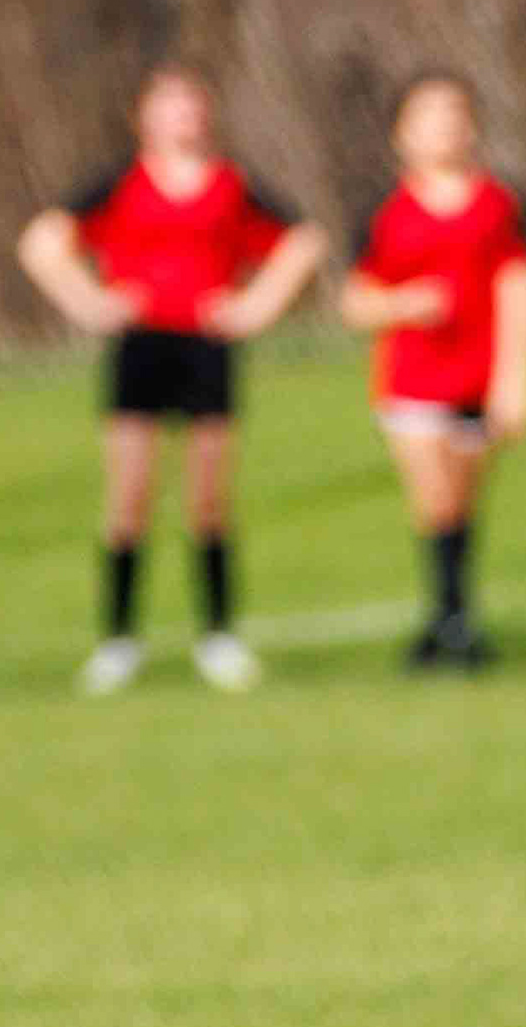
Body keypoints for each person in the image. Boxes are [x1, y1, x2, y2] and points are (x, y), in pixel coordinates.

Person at [18, 67, 323, 695]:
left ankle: (218, 637)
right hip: (141, 348)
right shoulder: (120, 184)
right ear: (143, 116)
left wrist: (255, 307)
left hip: (206, 349)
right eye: (168, 104)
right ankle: (118, 641)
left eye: (191, 104)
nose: (182, 115)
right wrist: (90, 304)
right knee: (128, 497)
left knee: (208, 499)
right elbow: (41, 243)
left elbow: (303, 243)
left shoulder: (231, 186)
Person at [338, 75, 526, 670]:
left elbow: (519, 285)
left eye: (454, 112)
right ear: (401, 133)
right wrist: (406, 304)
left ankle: (454, 620)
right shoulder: (386, 211)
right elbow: (355, 302)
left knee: (463, 503)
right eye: (427, 115)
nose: (444, 125)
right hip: (414, 381)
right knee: (436, 502)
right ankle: (447, 621)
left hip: (479, 377)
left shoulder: (500, 204)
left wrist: (514, 377)